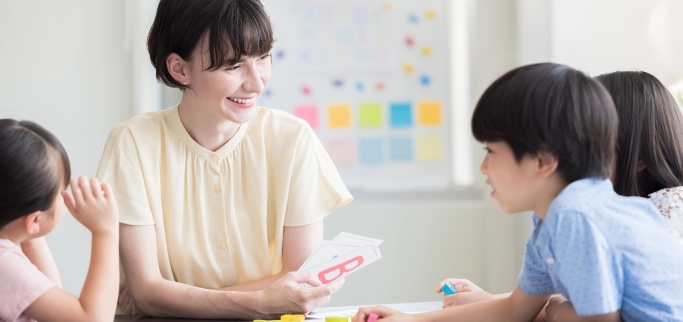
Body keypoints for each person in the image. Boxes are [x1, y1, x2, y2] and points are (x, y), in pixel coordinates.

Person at [355, 63, 683, 322]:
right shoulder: (549, 220)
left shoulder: (576, 213)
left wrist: (554, 308)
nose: (483, 168)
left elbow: (598, 320)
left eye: (491, 152)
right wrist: (414, 319)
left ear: (542, 162)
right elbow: (515, 309)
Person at [96, 0, 352, 319]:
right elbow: (149, 292)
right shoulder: (133, 144)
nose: (256, 82)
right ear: (179, 69)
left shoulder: (292, 138)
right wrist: (261, 300)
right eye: (233, 66)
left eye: (263, 57)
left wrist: (169, 299)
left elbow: (300, 281)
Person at [0, 119, 119, 322]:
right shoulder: (4, 263)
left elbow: (50, 294)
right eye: (62, 192)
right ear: (34, 218)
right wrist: (105, 232)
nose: (67, 195)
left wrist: (30, 232)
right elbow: (92, 319)